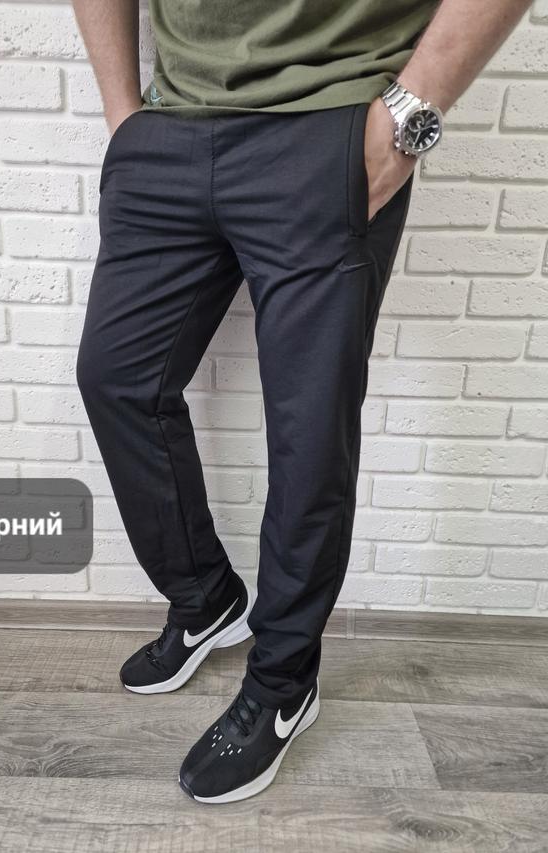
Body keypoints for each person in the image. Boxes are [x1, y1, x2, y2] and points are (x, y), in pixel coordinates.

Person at [72, 0, 532, 804]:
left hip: (328, 128)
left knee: (308, 433)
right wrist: (123, 119)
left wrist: (406, 121)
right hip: (167, 128)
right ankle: (205, 598)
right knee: (117, 379)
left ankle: (283, 682)